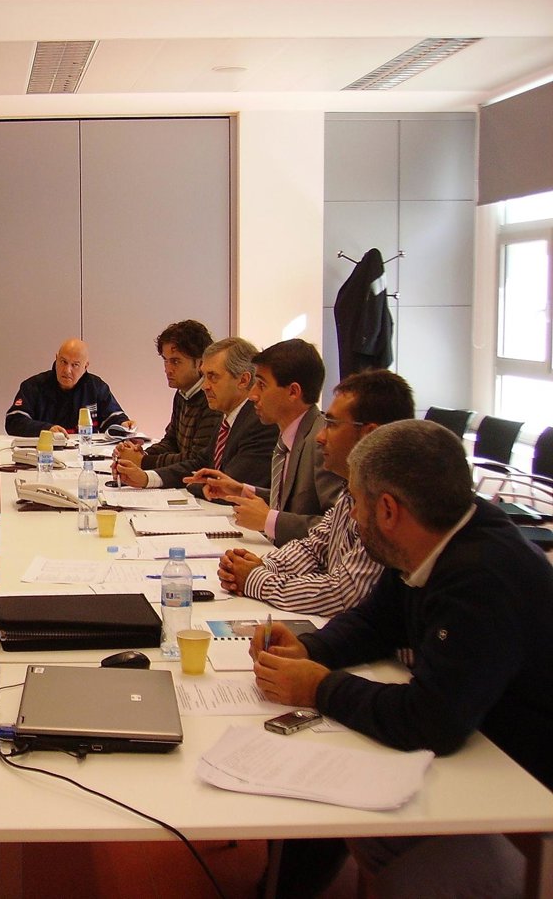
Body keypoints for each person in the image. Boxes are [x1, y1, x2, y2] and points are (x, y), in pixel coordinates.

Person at [251, 419, 553, 898]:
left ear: (388, 509)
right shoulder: (432, 538)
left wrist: (318, 686)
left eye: (355, 501)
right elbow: (376, 622)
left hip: (517, 778)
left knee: (336, 790)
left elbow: (432, 720)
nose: (351, 515)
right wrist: (310, 648)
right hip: (477, 741)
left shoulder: (482, 578)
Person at [218, 370, 415, 616]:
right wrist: (262, 565)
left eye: (332, 425)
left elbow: (343, 595)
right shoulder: (352, 490)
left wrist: (255, 579)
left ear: (369, 434)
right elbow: (314, 547)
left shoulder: (385, 504)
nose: (320, 437)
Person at [189, 338, 343, 546]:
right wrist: (242, 490)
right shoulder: (291, 435)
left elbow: (341, 530)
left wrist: (270, 521)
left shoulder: (322, 444)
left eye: (261, 385)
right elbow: (291, 502)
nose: (253, 395)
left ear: (293, 392)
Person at [115, 337, 275, 491]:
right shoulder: (228, 415)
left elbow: (229, 487)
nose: (205, 386)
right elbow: (199, 463)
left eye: (213, 377)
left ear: (243, 380)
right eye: (204, 376)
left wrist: (145, 462)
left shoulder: (259, 423)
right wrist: (146, 478)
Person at [114, 320, 220, 478]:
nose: (168, 369)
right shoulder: (182, 393)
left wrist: (143, 461)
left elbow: (197, 461)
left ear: (200, 363)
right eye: (165, 360)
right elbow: (171, 442)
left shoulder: (212, 400)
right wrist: (139, 453)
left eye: (176, 361)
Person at [5, 338, 132, 437]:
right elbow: (14, 421)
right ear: (56, 358)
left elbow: (112, 417)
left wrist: (124, 424)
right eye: (63, 362)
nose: (67, 370)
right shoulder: (33, 386)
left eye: (75, 365)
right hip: (45, 454)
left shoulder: (96, 387)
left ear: (85, 366)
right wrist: (46, 429)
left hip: (84, 454)